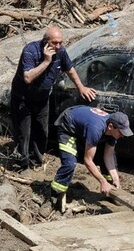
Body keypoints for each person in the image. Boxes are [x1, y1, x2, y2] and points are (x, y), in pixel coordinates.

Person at [9, 27, 97, 169]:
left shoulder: (60, 51)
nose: (58, 46)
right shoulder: (30, 51)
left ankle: (36, 161)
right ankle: (21, 164)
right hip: (23, 98)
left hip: (42, 99)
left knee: (41, 131)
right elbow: (28, 77)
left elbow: (70, 69)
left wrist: (81, 87)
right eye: (54, 43)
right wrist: (46, 61)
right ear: (45, 41)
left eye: (60, 42)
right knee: (23, 133)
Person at [49, 106, 133, 212]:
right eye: (121, 132)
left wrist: (116, 179)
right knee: (69, 163)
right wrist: (102, 181)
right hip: (68, 126)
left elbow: (108, 156)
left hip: (85, 126)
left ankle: (111, 192)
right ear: (111, 126)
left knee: (106, 158)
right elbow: (88, 160)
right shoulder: (96, 129)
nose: (123, 136)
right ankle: (54, 197)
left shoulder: (112, 130)